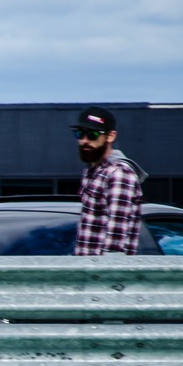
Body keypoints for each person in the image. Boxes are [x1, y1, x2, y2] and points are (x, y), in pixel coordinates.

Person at [71, 106, 142, 255]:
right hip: (86, 267)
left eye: (92, 134)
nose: (84, 141)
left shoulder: (118, 173)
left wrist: (107, 268)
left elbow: (115, 242)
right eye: (79, 134)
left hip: (106, 269)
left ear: (110, 136)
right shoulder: (92, 171)